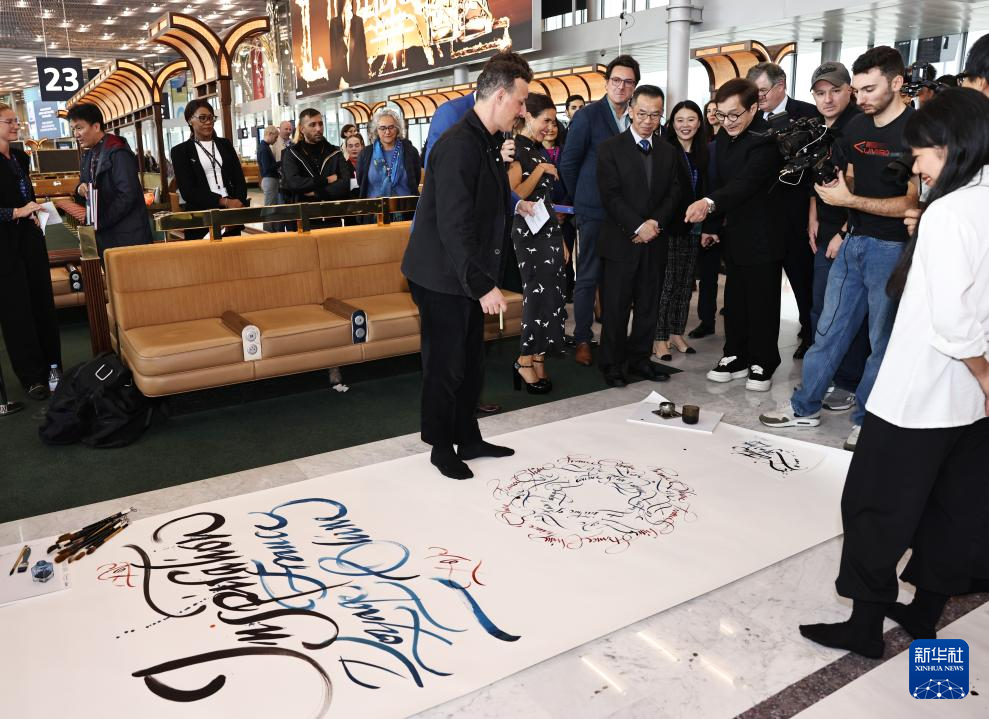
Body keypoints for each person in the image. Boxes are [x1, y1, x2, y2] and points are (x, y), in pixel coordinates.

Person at [799, 88, 989, 658]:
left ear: (952, 146)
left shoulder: (948, 212)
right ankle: (924, 612)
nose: (915, 166)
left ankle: (863, 628)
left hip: (918, 394)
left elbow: (953, 322)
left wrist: (984, 375)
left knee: (874, 507)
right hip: (968, 406)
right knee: (952, 507)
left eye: (922, 153)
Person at [759, 46, 920, 451]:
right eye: (859, 90)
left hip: (894, 248)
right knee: (827, 330)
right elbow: (848, 179)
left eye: (870, 89)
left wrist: (850, 203)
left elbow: (912, 202)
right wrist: (840, 211)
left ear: (897, 83)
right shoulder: (857, 127)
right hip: (853, 242)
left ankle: (867, 420)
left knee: (881, 340)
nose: (861, 98)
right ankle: (805, 407)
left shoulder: (918, 131)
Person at [401, 51, 535, 481]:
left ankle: (469, 437)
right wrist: (481, 285)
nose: (523, 111)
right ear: (500, 96)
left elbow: (487, 209)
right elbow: (454, 224)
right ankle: (441, 446)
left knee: (471, 361)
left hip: (463, 272)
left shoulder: (486, 141)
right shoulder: (458, 144)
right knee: (445, 365)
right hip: (441, 275)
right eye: (520, 101)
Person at [685, 79, 784, 392]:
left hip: (765, 234)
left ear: (753, 108)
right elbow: (718, 181)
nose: (727, 122)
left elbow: (745, 184)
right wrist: (712, 227)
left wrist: (708, 204)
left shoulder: (766, 140)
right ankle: (735, 355)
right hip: (736, 233)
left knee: (762, 301)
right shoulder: (725, 137)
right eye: (721, 114)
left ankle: (764, 360)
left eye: (734, 115)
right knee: (735, 300)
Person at [560, 55, 642, 368]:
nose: (622, 86)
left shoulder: (636, 118)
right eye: (616, 80)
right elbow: (569, 163)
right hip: (593, 211)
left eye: (628, 82)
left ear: (634, 86)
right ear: (606, 83)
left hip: (626, 213)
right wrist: (582, 199)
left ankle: (613, 337)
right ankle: (582, 338)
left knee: (619, 278)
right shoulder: (588, 116)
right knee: (588, 276)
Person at [596, 85, 679, 387]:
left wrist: (654, 223)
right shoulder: (610, 148)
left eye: (655, 115)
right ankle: (612, 364)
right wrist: (638, 226)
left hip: (655, 241)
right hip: (621, 242)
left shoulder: (668, 151)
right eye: (642, 113)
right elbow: (610, 195)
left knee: (648, 307)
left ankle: (640, 360)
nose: (647, 120)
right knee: (616, 309)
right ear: (630, 111)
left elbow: (674, 192)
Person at [805, 62, 869, 414]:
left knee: (846, 312)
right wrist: (813, 215)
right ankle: (827, 376)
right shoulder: (819, 128)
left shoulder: (858, 128)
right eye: (820, 93)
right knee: (822, 308)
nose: (827, 99)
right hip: (826, 227)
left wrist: (844, 232)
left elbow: (862, 189)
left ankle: (848, 382)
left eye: (835, 91)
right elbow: (819, 177)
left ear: (850, 91)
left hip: (851, 232)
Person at [747, 62, 820, 358]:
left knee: (802, 281)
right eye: (754, 92)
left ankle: (810, 333)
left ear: (781, 86)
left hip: (797, 215)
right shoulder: (750, 118)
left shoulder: (809, 114)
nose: (758, 97)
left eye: (763, 91)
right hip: (761, 216)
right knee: (763, 286)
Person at [0, 102, 62, 401]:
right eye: (9, 121)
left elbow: (27, 195)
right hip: (4, 245)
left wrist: (34, 212)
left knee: (42, 302)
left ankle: (52, 366)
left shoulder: (20, 158)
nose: (16, 125)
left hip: (30, 238)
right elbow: (14, 206)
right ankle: (31, 377)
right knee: (16, 309)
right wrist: (16, 212)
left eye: (16, 121)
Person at [507, 93, 567, 394]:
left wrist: (560, 239)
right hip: (527, 234)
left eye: (553, 122)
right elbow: (513, 195)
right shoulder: (516, 149)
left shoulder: (539, 151)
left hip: (548, 232)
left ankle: (539, 356)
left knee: (553, 297)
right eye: (546, 120)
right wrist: (541, 171)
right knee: (536, 297)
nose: (550, 127)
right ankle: (523, 360)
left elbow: (546, 201)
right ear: (528, 116)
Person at [655, 100, 708, 362]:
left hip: (695, 228)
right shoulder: (664, 150)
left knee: (685, 285)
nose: (685, 125)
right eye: (679, 120)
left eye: (691, 119)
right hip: (670, 227)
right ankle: (659, 338)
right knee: (667, 285)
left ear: (699, 123)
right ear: (672, 123)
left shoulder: (704, 152)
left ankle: (677, 333)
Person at [68, 102, 154, 256]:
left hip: (127, 236)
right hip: (104, 233)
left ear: (96, 126)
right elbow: (84, 185)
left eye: (79, 128)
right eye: (73, 129)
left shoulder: (118, 152)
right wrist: (80, 189)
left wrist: (101, 222)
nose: (76, 134)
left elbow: (127, 195)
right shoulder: (89, 154)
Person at [171, 99, 249, 240]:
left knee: (232, 253)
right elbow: (188, 191)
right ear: (190, 121)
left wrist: (237, 204)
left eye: (211, 118)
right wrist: (224, 202)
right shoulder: (180, 151)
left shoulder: (225, 144)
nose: (208, 122)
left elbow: (239, 179)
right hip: (201, 217)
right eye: (202, 118)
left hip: (230, 215)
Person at [281, 108, 354, 225]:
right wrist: (327, 180)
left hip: (332, 219)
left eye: (320, 124)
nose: (318, 129)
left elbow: (344, 184)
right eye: (312, 125)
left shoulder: (335, 152)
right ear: (302, 129)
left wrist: (317, 193)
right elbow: (294, 183)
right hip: (303, 219)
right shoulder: (291, 154)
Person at [689, 99, 722, 341]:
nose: (714, 115)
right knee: (708, 274)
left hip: (734, 218)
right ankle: (706, 320)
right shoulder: (705, 147)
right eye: (709, 111)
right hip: (709, 218)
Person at [356, 108, 421, 200]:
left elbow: (415, 179)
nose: (387, 132)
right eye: (382, 128)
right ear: (376, 130)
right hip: (375, 207)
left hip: (406, 206)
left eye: (391, 127)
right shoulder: (365, 153)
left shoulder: (410, 151)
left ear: (397, 129)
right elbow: (361, 181)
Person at [257, 125, 282, 232]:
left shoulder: (265, 147)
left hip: (270, 179)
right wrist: (282, 162)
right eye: (275, 137)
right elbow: (268, 168)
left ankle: (273, 230)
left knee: (273, 206)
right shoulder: (264, 148)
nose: (276, 140)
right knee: (270, 207)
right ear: (269, 134)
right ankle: (268, 231)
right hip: (269, 179)